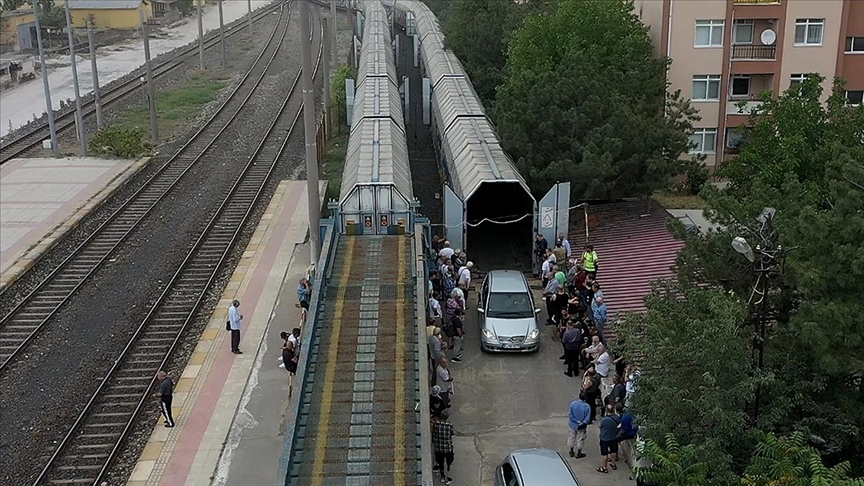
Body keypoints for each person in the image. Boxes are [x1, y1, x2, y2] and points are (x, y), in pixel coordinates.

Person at [431, 410, 455, 484]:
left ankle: (442, 475)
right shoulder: (449, 425)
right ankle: (448, 467)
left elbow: (433, 432)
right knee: (449, 459)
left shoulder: (436, 424)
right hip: (447, 447)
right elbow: (452, 433)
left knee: (440, 462)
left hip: (439, 447)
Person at [597, 405, 621, 474]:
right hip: (613, 437)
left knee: (605, 454)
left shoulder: (604, 420)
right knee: (613, 451)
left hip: (604, 438)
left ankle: (604, 468)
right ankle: (613, 464)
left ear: (606, 411)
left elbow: (599, 426)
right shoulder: (617, 418)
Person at [567, 393, 591, 458]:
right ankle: (579, 453)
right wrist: (582, 423)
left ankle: (571, 451)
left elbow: (570, 415)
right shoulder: (587, 406)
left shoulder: (573, 404)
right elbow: (588, 417)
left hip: (572, 424)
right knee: (580, 439)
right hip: (582, 426)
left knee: (572, 437)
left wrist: (576, 421)